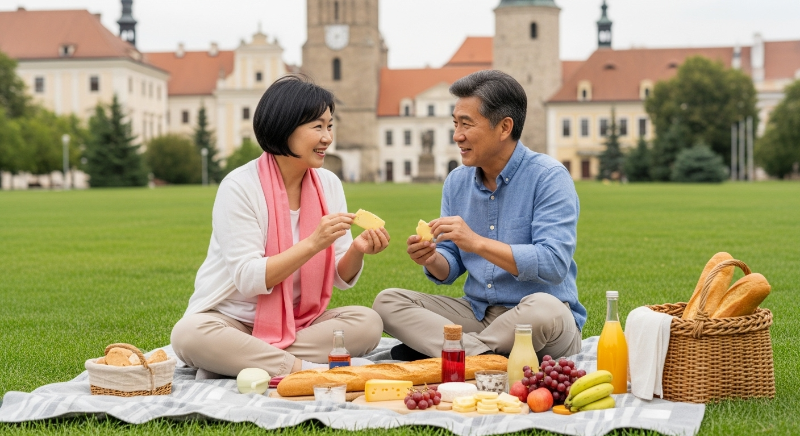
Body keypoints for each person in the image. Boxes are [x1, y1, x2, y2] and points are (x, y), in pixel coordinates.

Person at [172, 75, 390, 377]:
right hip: (232, 319)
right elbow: (248, 278)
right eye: (317, 126)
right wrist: (312, 243)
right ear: (284, 127)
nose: (327, 137)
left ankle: (240, 360)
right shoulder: (239, 186)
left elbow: (340, 276)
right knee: (189, 335)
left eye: (330, 126)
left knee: (367, 323)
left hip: (299, 320)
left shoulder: (328, 184)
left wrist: (358, 250)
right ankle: (305, 369)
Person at [373, 70, 586, 362]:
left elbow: (553, 264)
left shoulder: (549, 178)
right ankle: (479, 355)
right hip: (478, 314)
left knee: (546, 309)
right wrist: (431, 258)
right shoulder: (457, 182)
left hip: (539, 320)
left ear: (504, 128)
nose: (456, 135)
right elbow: (450, 265)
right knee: (387, 302)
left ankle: (450, 351)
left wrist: (476, 242)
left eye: (466, 124)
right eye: (455, 123)